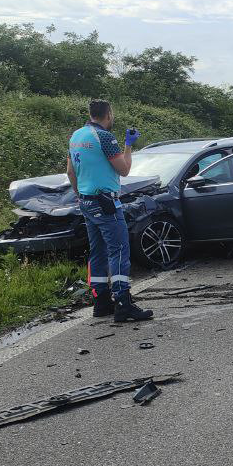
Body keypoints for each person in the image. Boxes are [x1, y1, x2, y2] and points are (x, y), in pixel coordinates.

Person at [65, 99, 153, 322]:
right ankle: (123, 303)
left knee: (98, 252)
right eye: (112, 114)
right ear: (108, 114)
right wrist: (128, 145)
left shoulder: (76, 136)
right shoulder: (104, 137)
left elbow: (70, 171)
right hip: (105, 202)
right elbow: (123, 170)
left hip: (86, 201)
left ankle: (101, 302)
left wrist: (79, 194)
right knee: (120, 250)